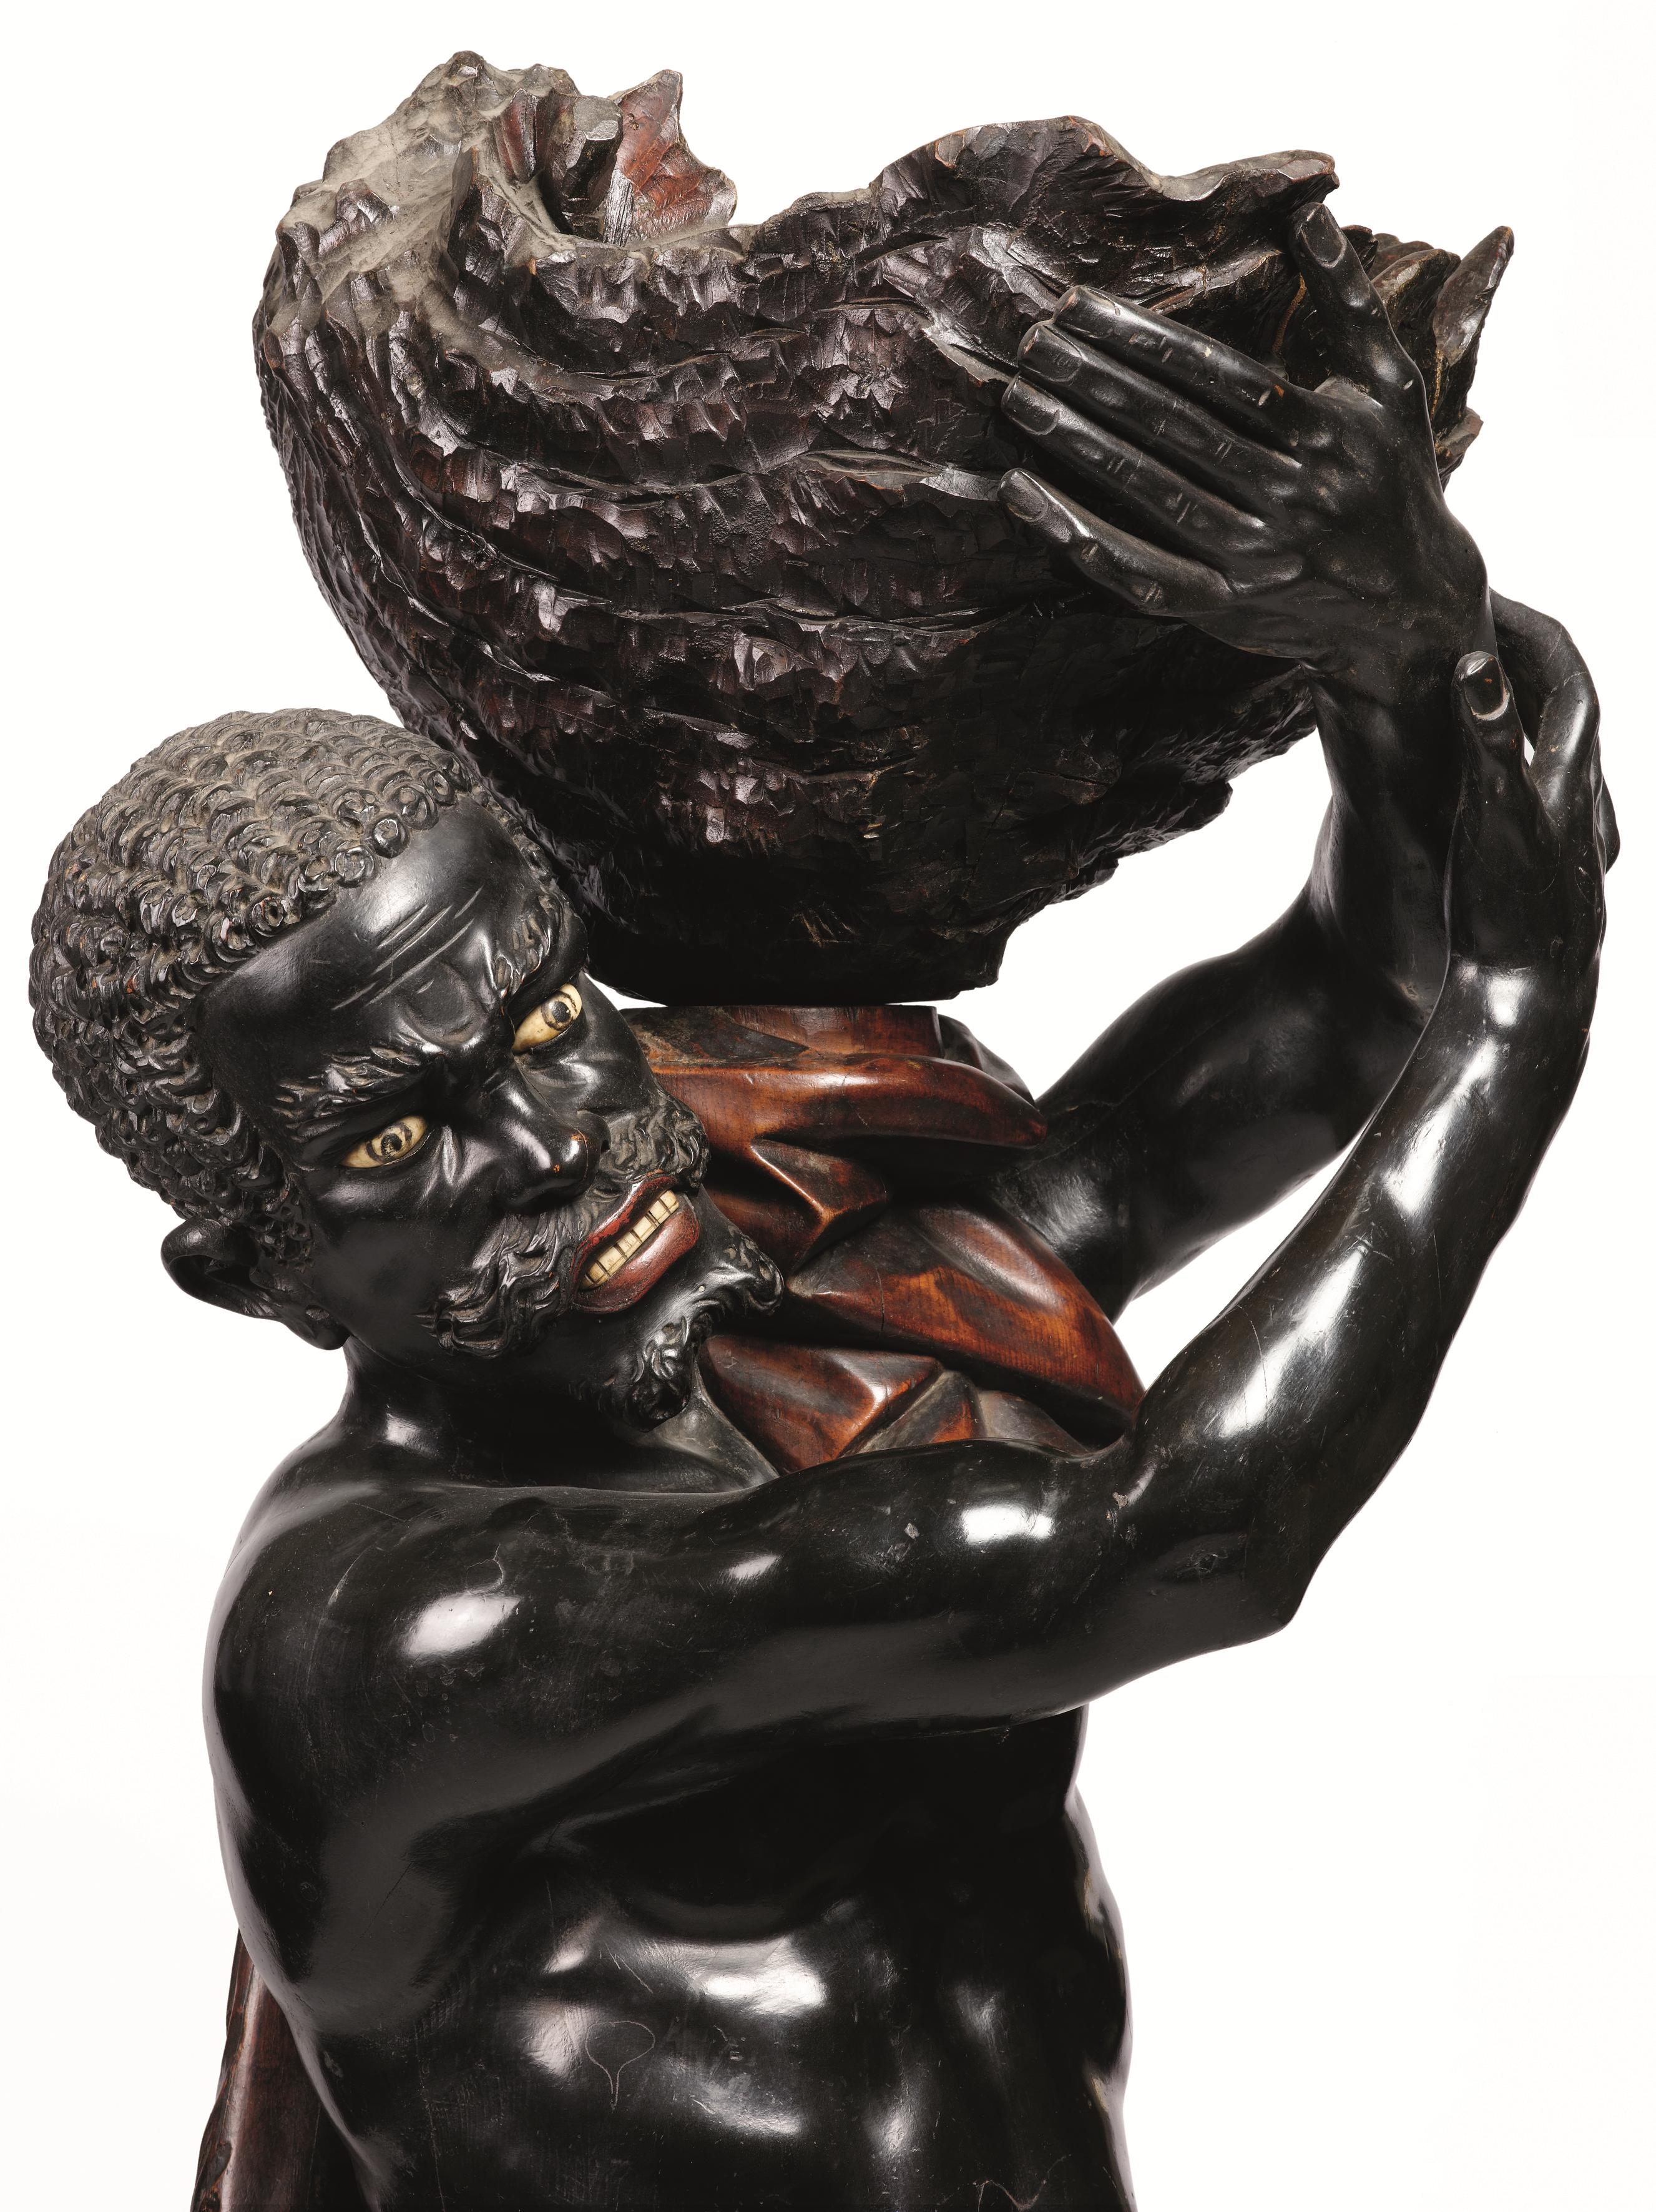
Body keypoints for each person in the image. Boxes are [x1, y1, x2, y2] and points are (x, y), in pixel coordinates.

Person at [31, 596, 1605, 2208]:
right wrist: (1514, 1019)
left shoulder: (783, 1281)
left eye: (551, 1019)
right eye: (399, 1136)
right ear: (260, 1270)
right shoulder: (370, 1631)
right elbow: (1174, 1543)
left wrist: (1391, 640)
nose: (555, 1141)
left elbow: (1342, 1003)